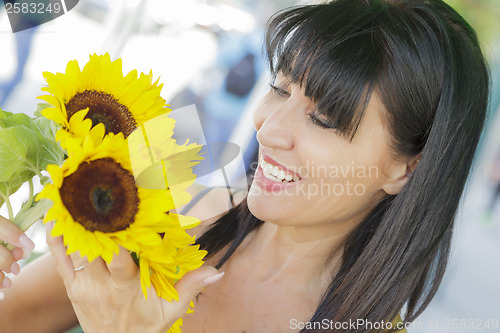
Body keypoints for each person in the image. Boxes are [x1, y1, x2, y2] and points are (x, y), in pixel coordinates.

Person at [0, 0, 490, 332]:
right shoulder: (171, 213)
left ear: (406, 169)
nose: (268, 130)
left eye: (324, 118)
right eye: (279, 88)